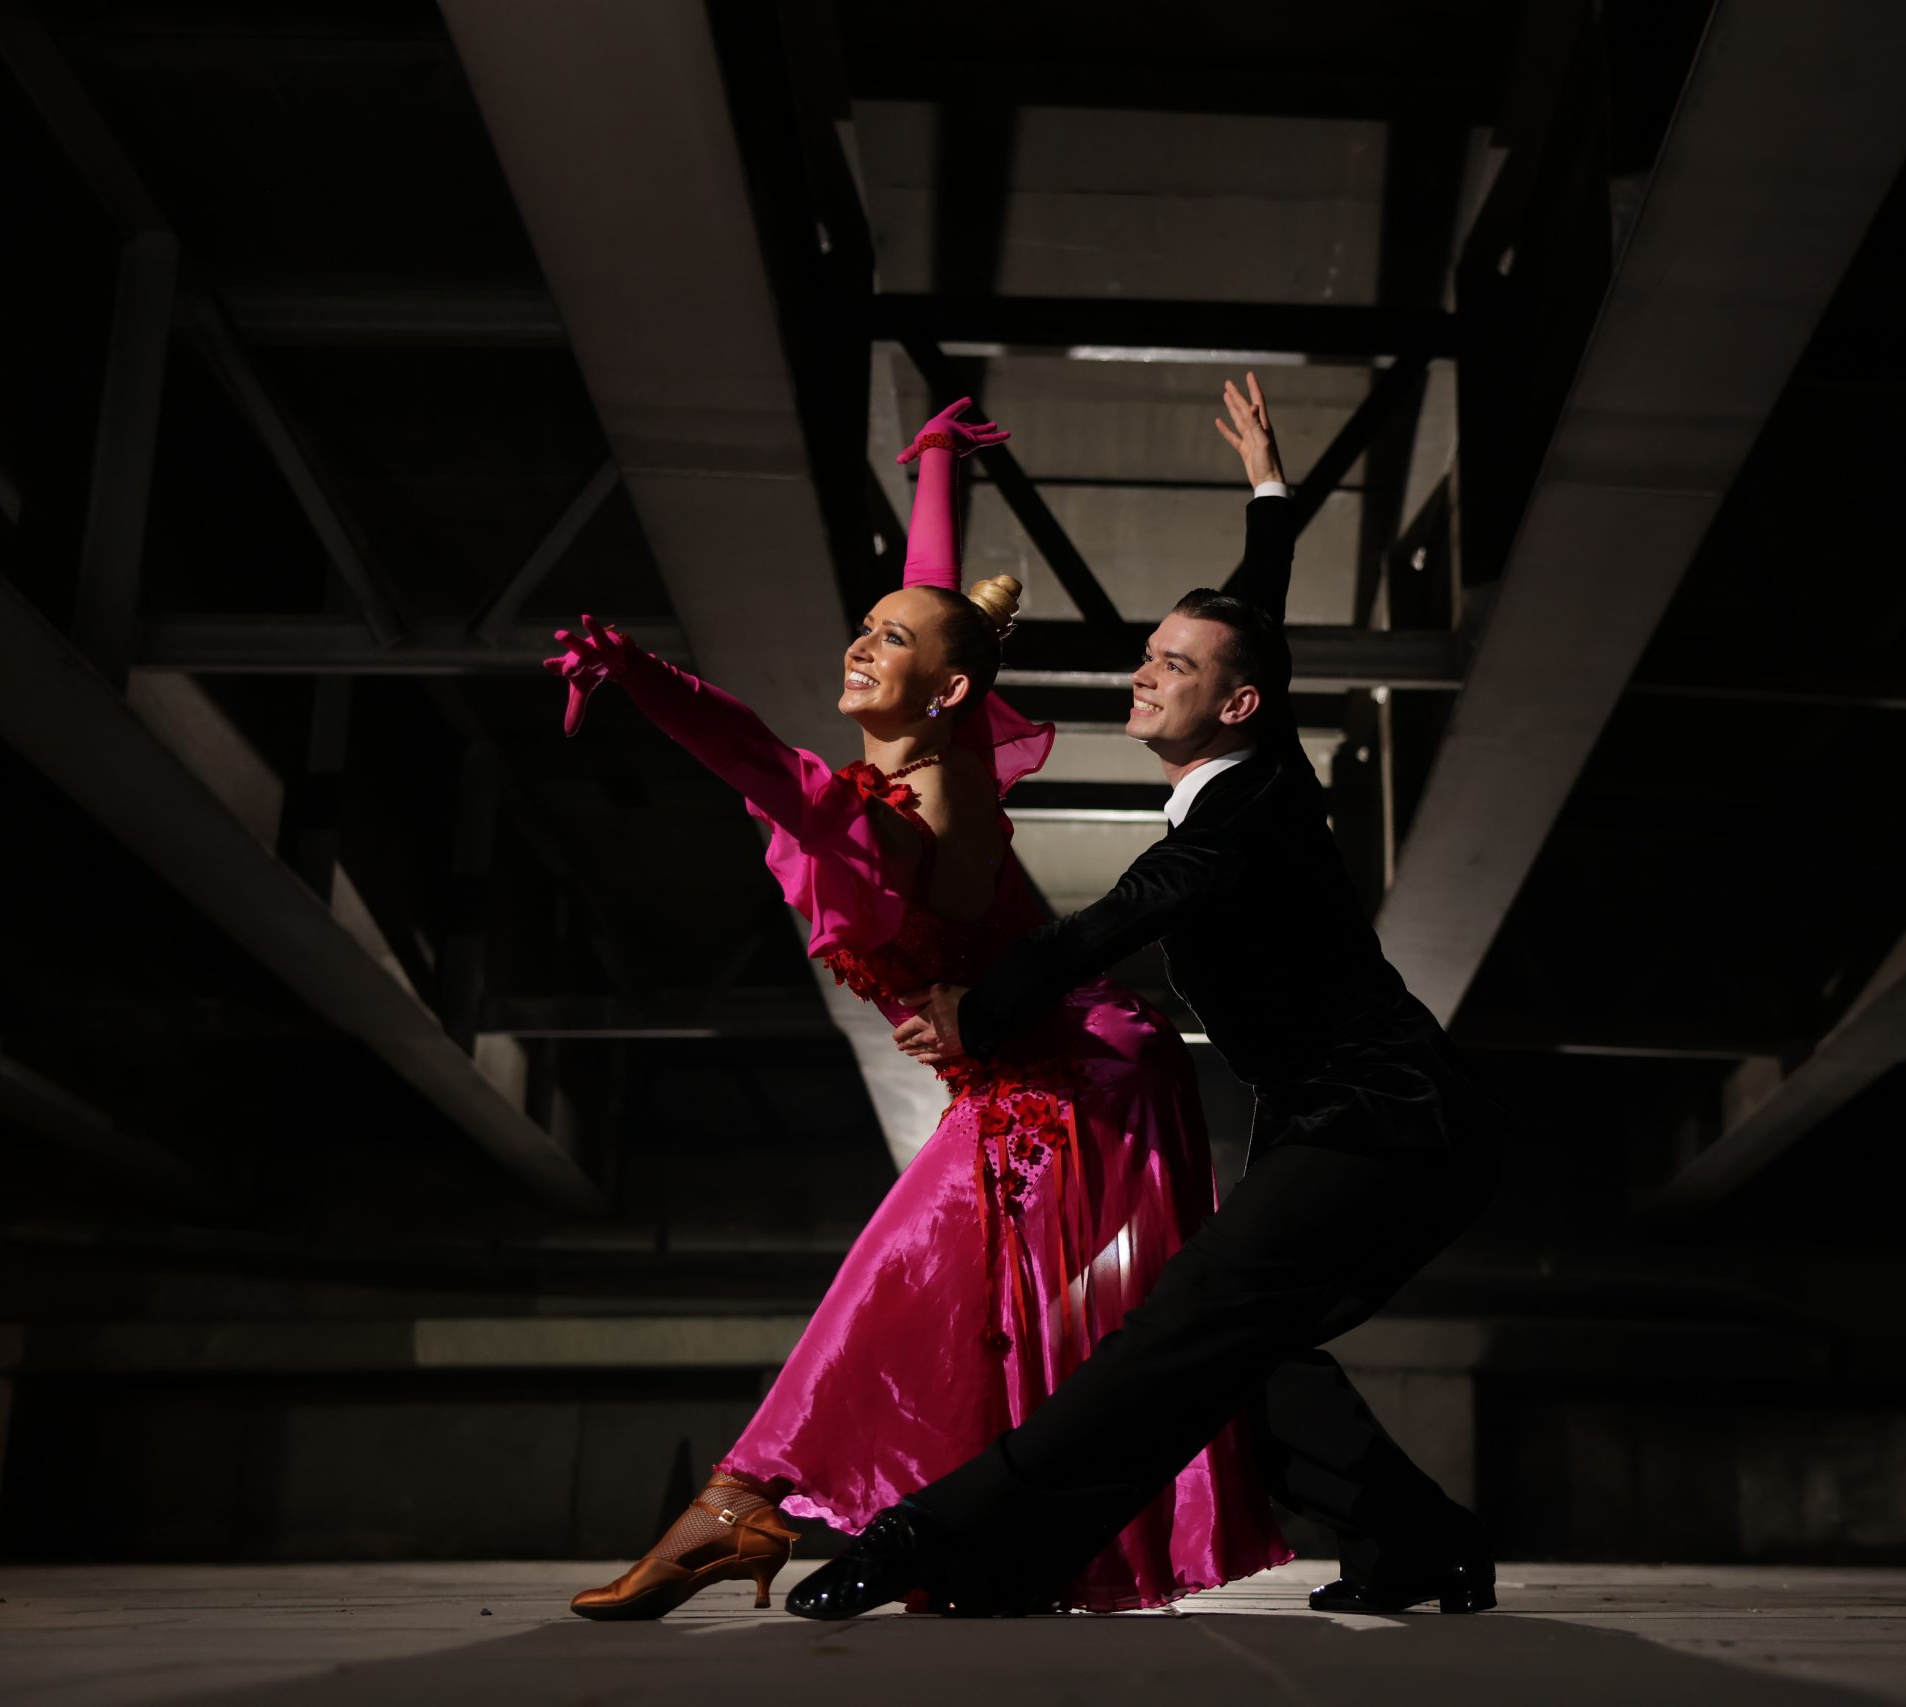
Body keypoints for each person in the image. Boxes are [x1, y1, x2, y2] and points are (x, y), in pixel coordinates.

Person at [545, 399, 1289, 1619]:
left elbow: (752, 759)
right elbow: (933, 597)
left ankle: (738, 1508)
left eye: (882, 643)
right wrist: (937, 463)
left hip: (1075, 1079)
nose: (858, 646)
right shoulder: (934, 736)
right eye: (862, 630)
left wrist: (643, 675)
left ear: (943, 691)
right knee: (989, 1323)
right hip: (1041, 1067)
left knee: (902, 1288)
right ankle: (924, 1533)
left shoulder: (894, 822)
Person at [791, 375, 1500, 1620]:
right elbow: (1253, 623)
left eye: (1167, 666)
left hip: (1384, 1119)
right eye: (1147, 655)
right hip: (1328, 1116)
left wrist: (979, 1008)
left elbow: (1102, 929)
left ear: (1229, 706)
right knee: (1240, 1349)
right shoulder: (1252, 742)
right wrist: (1270, 500)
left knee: (1184, 1327)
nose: (1139, 676)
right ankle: (1419, 1542)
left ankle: (950, 1537)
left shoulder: (1227, 826)